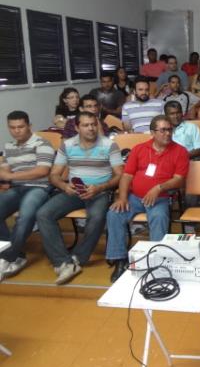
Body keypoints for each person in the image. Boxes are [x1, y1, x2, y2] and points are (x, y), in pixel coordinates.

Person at [36, 112, 123, 284]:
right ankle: (63, 261)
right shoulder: (67, 145)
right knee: (43, 214)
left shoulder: (109, 145)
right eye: (85, 125)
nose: (91, 128)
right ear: (77, 127)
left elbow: (120, 175)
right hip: (74, 191)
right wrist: (64, 186)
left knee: (97, 217)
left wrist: (100, 187)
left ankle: (78, 258)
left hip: (100, 192)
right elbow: (54, 175)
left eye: (93, 124)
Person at [105, 115, 189, 282]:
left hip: (161, 198)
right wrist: (122, 198)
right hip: (135, 197)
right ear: (152, 132)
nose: (167, 133)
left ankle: (155, 263)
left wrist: (159, 188)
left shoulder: (180, 151)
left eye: (169, 130)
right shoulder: (139, 149)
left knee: (159, 217)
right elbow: (127, 175)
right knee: (114, 213)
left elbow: (179, 179)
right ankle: (120, 260)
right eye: (163, 130)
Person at [0, 111, 54, 281]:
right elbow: (5, 169)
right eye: (12, 127)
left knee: (25, 216)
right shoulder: (8, 146)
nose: (17, 131)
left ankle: (7, 258)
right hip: (16, 188)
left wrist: (10, 176)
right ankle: (13, 252)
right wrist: (5, 173)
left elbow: (42, 171)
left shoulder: (42, 144)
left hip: (39, 187)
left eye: (21, 127)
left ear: (29, 126)